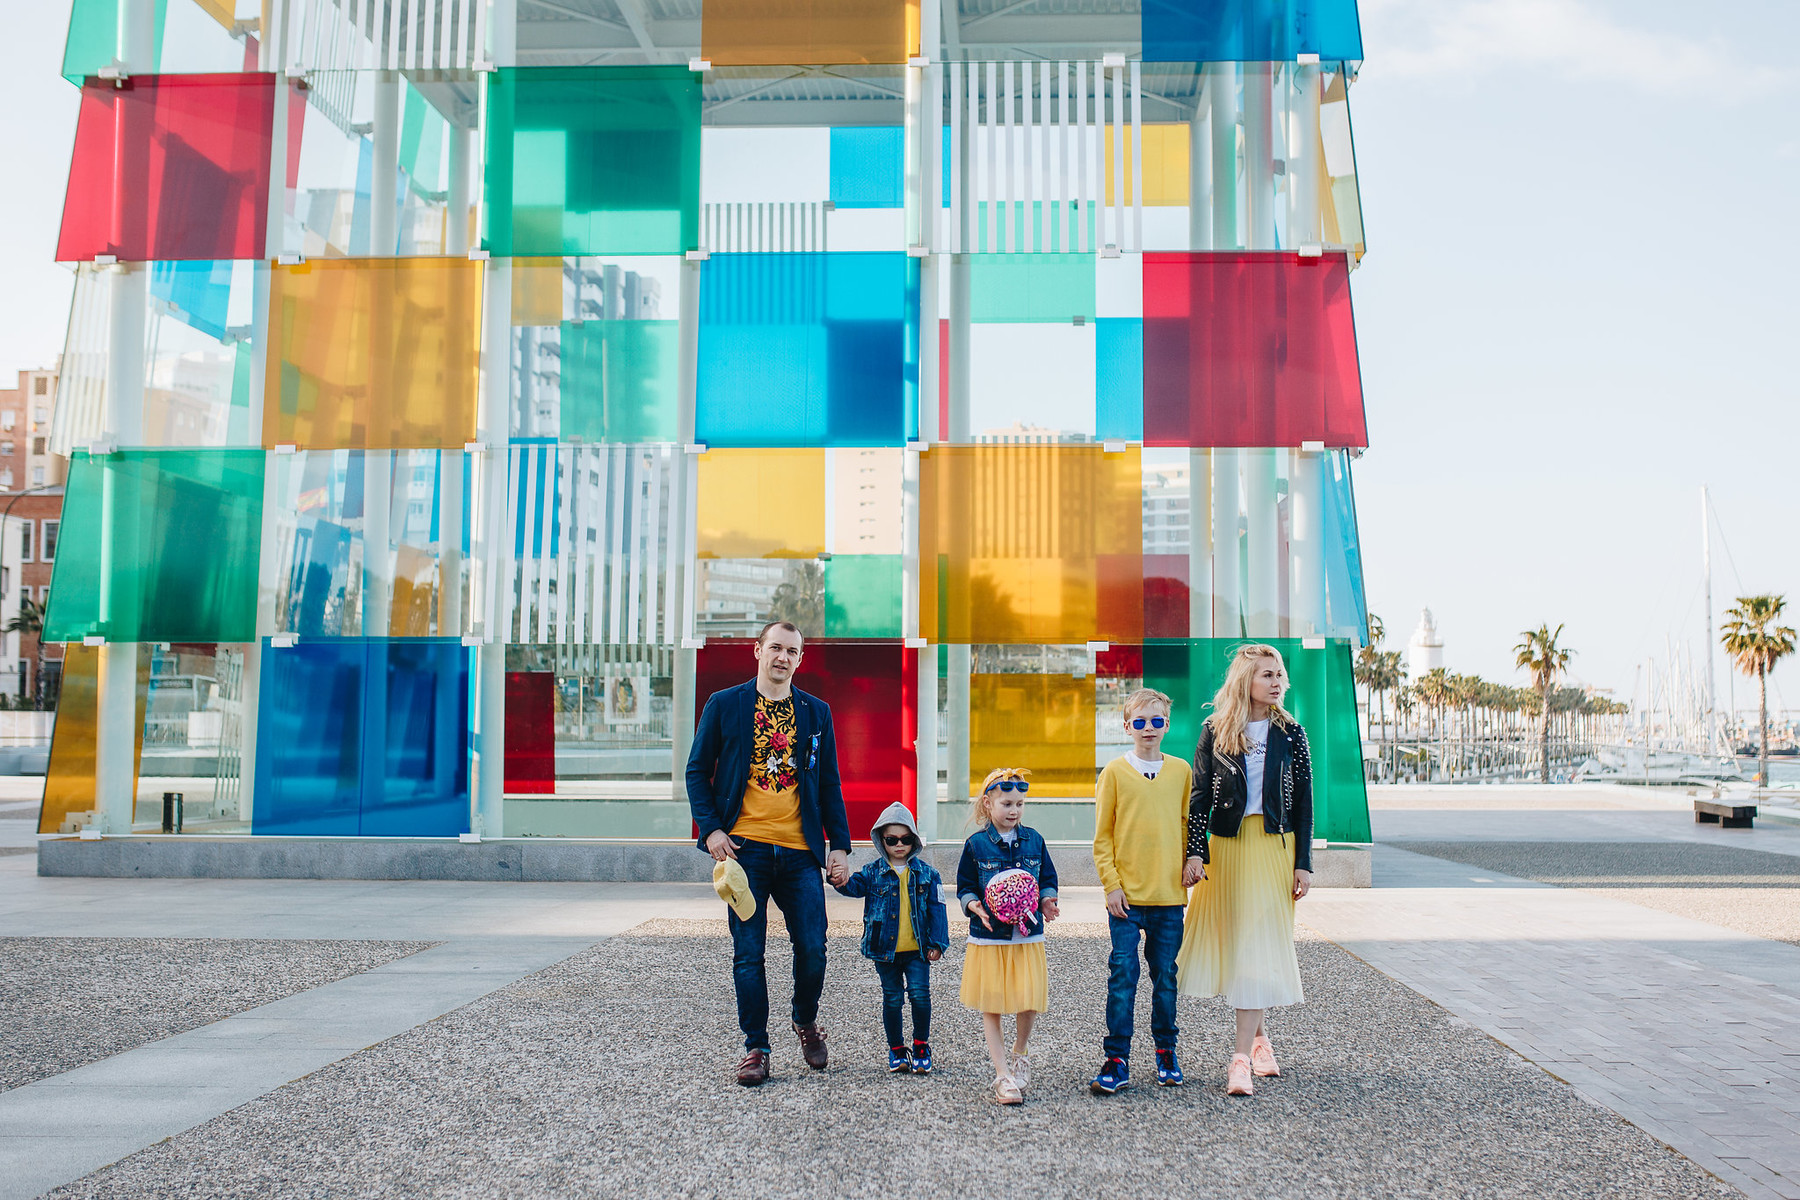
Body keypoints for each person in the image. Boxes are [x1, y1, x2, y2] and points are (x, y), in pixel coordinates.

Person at [687, 621, 852, 1087]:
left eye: (792, 651)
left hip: (800, 852)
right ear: (757, 650)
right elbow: (697, 771)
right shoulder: (725, 704)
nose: (782, 657)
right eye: (775, 648)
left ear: (800, 660)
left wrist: (838, 846)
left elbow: (830, 784)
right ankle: (756, 1047)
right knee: (748, 953)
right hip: (744, 851)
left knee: (814, 948)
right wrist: (713, 830)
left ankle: (804, 1021)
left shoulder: (816, 712)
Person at [1176, 643, 1315, 1097]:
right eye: (1267, 676)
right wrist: (1195, 853)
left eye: (1279, 675)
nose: (1277, 683)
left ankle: (1239, 1061)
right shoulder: (1215, 730)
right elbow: (1199, 796)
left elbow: (1305, 807)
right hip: (1229, 848)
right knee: (1242, 945)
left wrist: (1304, 864)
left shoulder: (1293, 733)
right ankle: (1260, 1040)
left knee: (1259, 943)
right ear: (1245, 681)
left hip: (1274, 847)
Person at [1090, 687, 1195, 1095]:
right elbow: (1102, 839)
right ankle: (1117, 1058)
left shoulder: (1182, 771)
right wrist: (1111, 886)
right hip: (1126, 902)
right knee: (1123, 977)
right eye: (1139, 722)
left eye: (1156, 721)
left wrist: (1193, 859)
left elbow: (1188, 824)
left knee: (1165, 978)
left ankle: (1166, 1051)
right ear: (1126, 726)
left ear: (1167, 725)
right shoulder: (1114, 773)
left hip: (1169, 899)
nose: (1147, 729)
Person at [956, 767, 1059, 1106]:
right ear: (988, 804)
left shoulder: (1035, 840)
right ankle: (1002, 1075)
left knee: (1027, 999)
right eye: (1006, 803)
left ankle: (1021, 1051)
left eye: (1019, 803)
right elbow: (966, 887)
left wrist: (1047, 899)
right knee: (992, 1005)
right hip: (990, 937)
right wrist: (974, 907)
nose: (1013, 810)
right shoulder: (975, 845)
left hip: (1026, 934)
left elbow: (1047, 876)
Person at [835, 801, 949, 1074]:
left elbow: (938, 909)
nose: (899, 845)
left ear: (915, 840)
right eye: (892, 839)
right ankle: (897, 1049)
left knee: (920, 996)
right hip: (884, 950)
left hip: (918, 950)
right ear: (881, 840)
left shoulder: (928, 874)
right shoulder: (873, 872)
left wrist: (938, 943)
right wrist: (840, 879)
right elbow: (854, 887)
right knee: (892, 998)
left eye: (906, 839)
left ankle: (921, 1044)